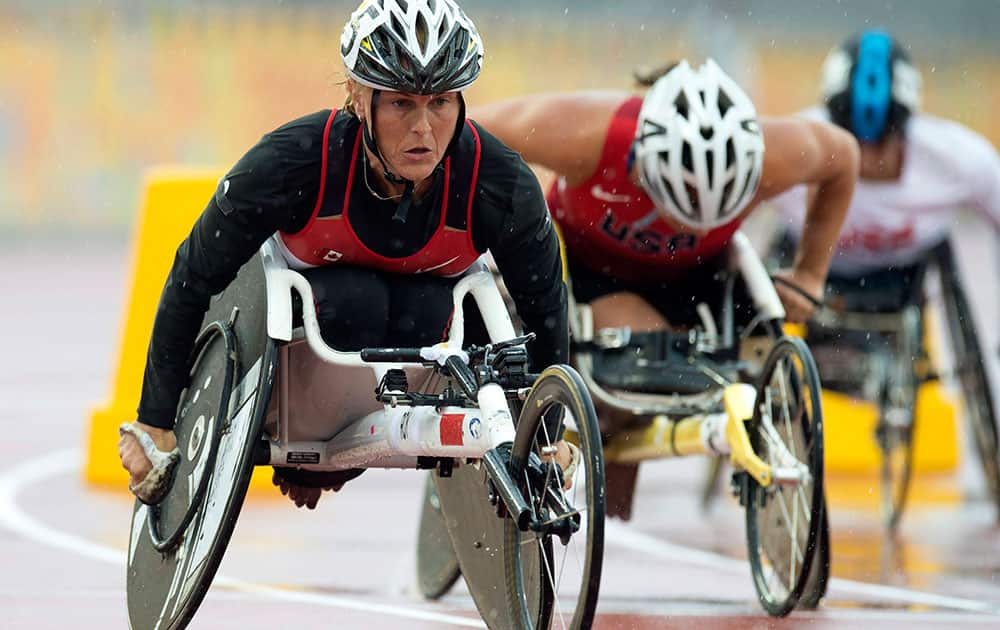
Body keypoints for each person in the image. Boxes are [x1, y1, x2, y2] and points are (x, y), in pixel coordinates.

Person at [117, 0, 573, 510]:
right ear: (359, 96)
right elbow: (193, 275)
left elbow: (546, 311)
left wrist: (549, 435)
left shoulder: (501, 184)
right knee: (357, 300)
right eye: (402, 103)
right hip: (304, 356)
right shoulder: (295, 160)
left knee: (432, 309)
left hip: (422, 344)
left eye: (441, 102)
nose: (424, 128)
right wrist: (154, 420)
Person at [470, 58, 859, 519]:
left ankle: (618, 455)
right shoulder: (590, 135)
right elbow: (471, 136)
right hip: (593, 273)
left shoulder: (773, 155)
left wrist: (810, 273)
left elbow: (844, 157)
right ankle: (595, 451)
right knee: (635, 371)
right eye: (680, 200)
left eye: (707, 208)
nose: (685, 220)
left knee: (718, 356)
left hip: (699, 278)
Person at [769, 29, 1000, 308]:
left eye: (881, 142)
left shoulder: (957, 158)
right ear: (830, 123)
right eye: (848, 139)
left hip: (904, 277)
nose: (860, 158)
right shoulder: (795, 146)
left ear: (906, 129)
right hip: (801, 264)